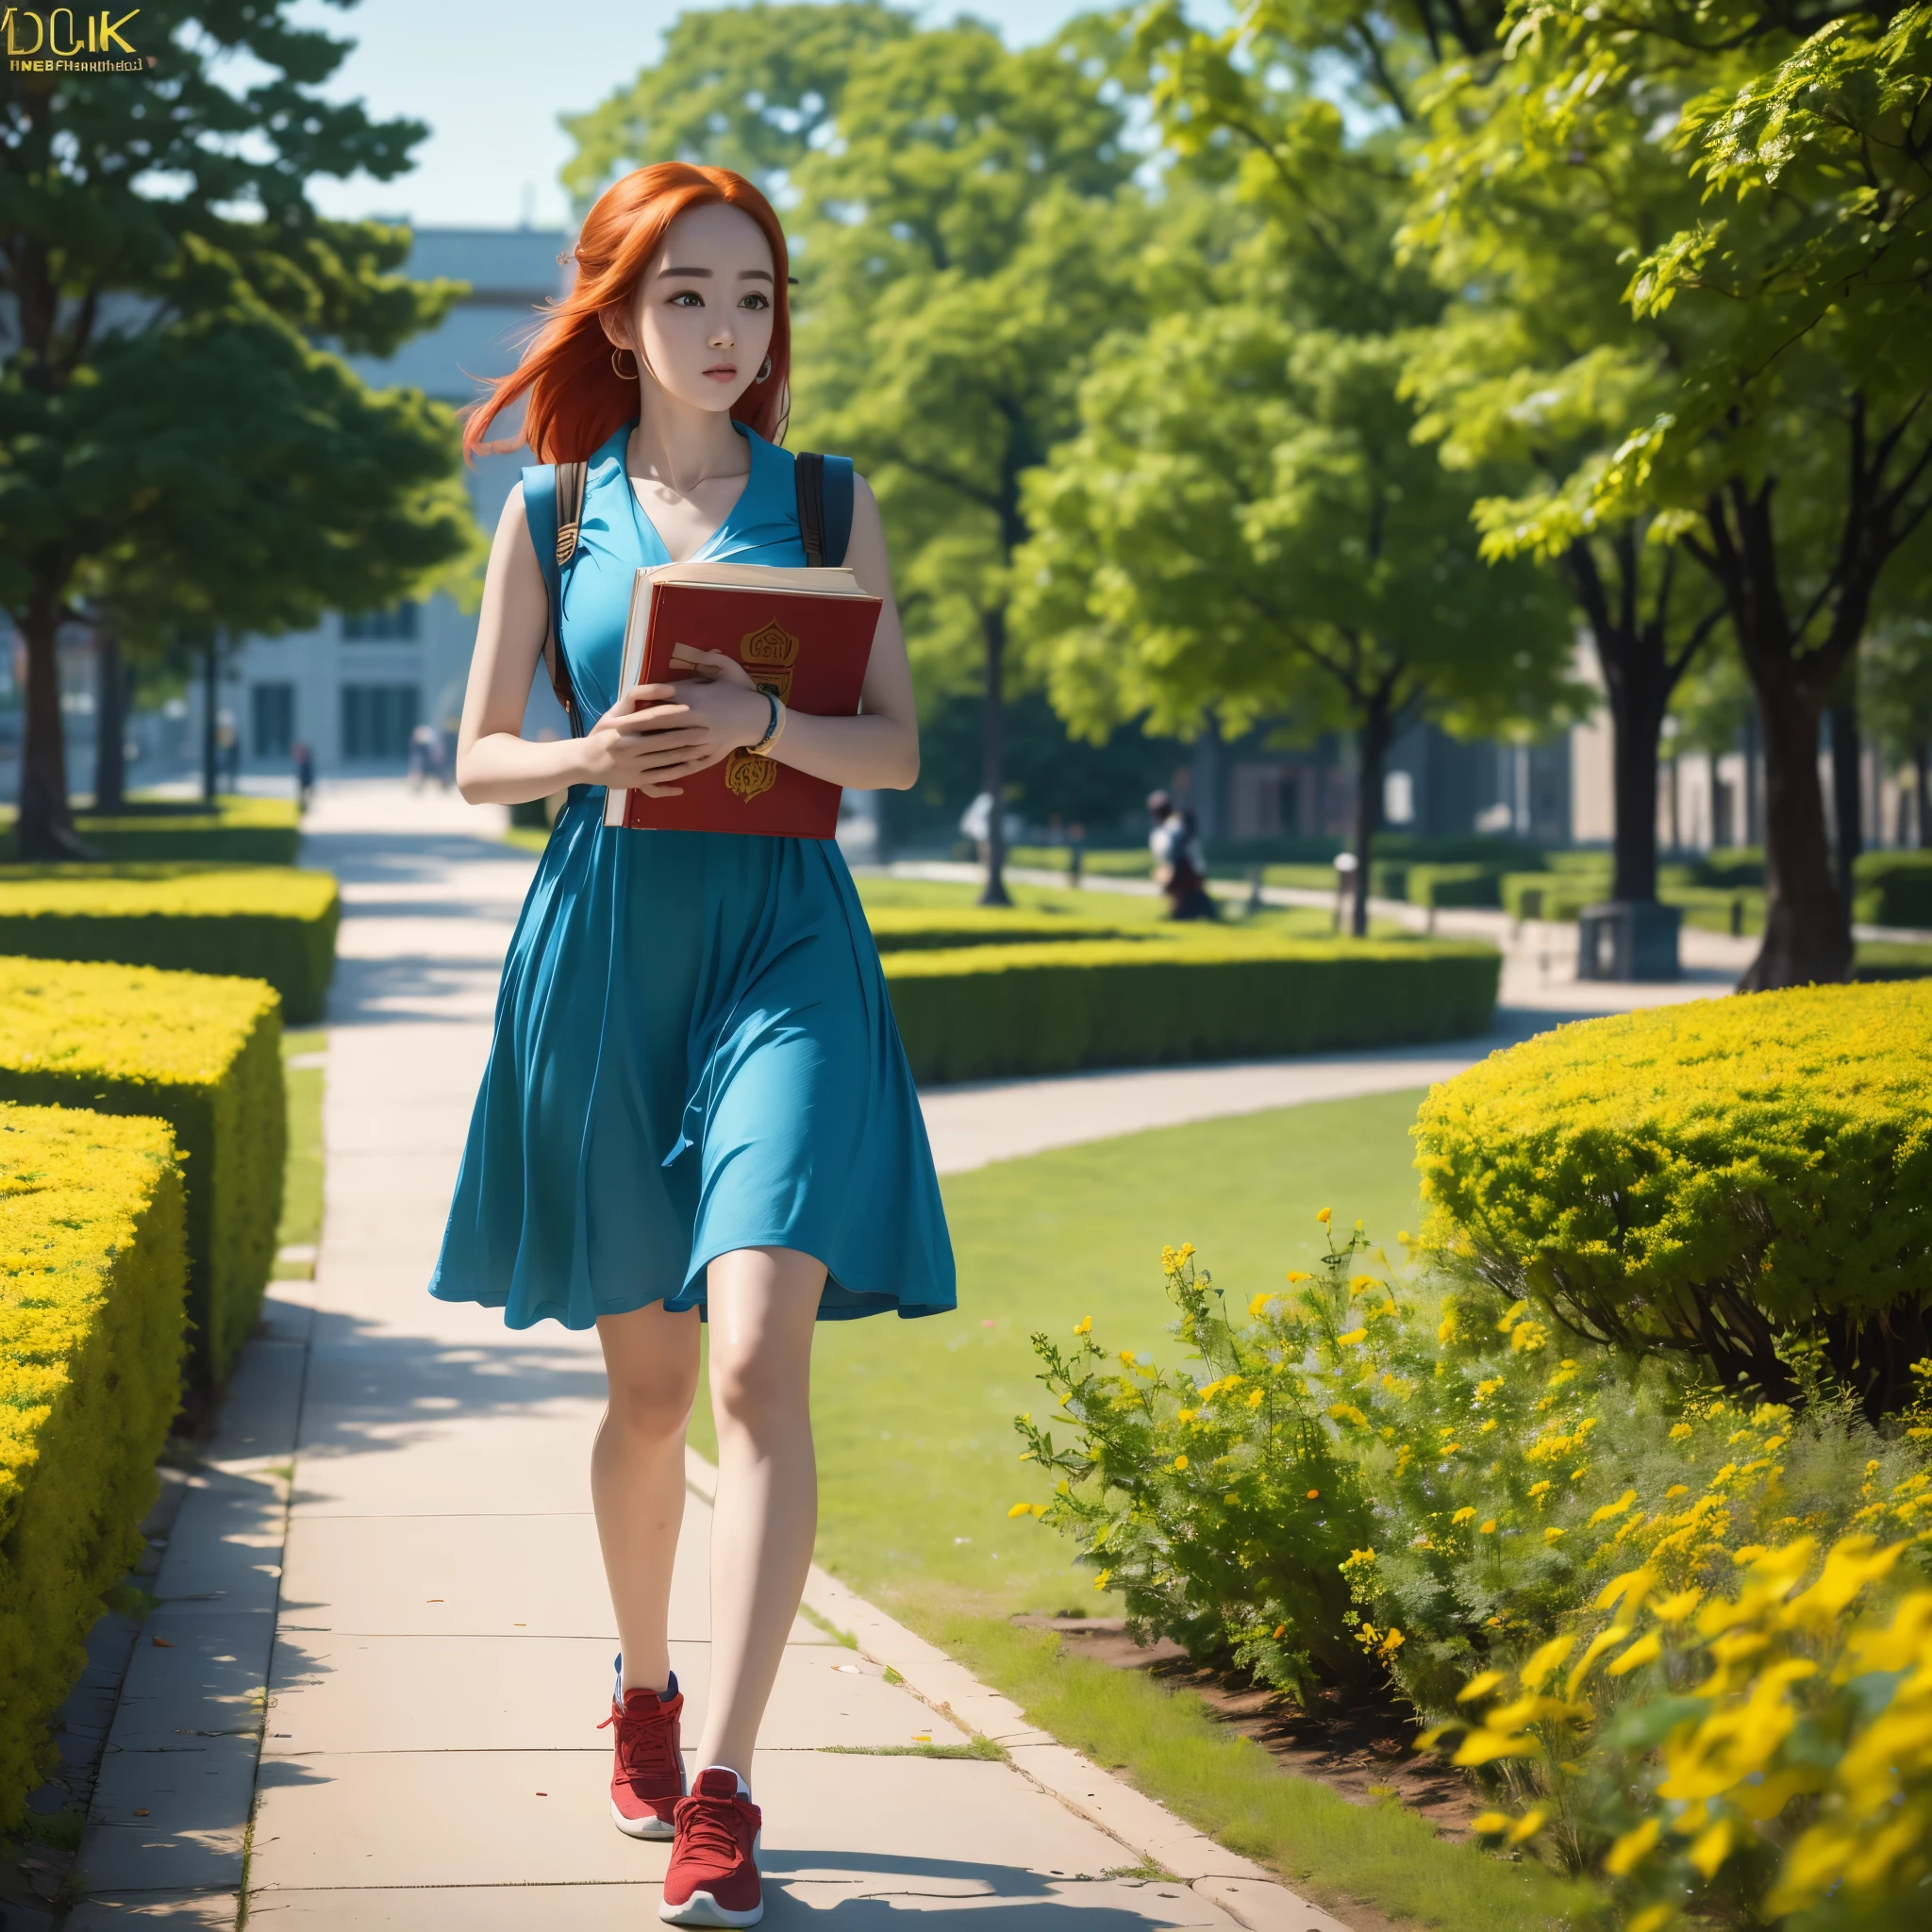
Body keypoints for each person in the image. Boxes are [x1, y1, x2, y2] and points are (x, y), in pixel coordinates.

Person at [433, 163, 955, 1929]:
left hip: (786, 948)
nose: (727, 330)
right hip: (606, 953)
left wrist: (760, 713)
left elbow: (888, 754)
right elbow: (477, 755)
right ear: (621, 310)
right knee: (647, 1394)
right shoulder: (551, 504)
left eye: (754, 296)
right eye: (689, 296)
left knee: (749, 1371)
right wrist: (595, 757)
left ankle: (723, 1785)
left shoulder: (828, 499)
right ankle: (643, 1687)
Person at [1148, 790, 1217, 921]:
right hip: (1184, 873)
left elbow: (1179, 854)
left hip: (1186, 872)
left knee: (1194, 905)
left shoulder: (1173, 827)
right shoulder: (1164, 831)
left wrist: (1171, 874)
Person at [291, 740, 314, 812]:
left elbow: (308, 772)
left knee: (305, 795)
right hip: (304, 780)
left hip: (306, 780)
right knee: (303, 795)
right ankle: (303, 807)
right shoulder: (304, 761)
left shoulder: (306, 762)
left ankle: (304, 807)